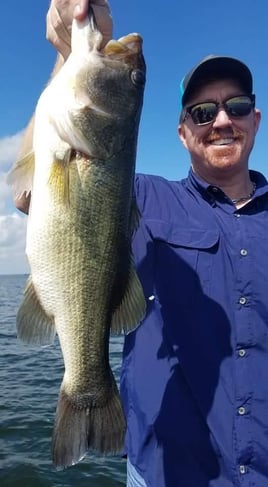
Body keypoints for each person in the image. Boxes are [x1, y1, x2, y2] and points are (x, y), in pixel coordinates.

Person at [16, 1, 268, 486]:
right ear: (181, 132)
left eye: (235, 106)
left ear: (254, 119)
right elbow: (27, 192)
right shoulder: (145, 197)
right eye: (201, 112)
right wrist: (69, 53)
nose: (220, 121)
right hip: (165, 472)